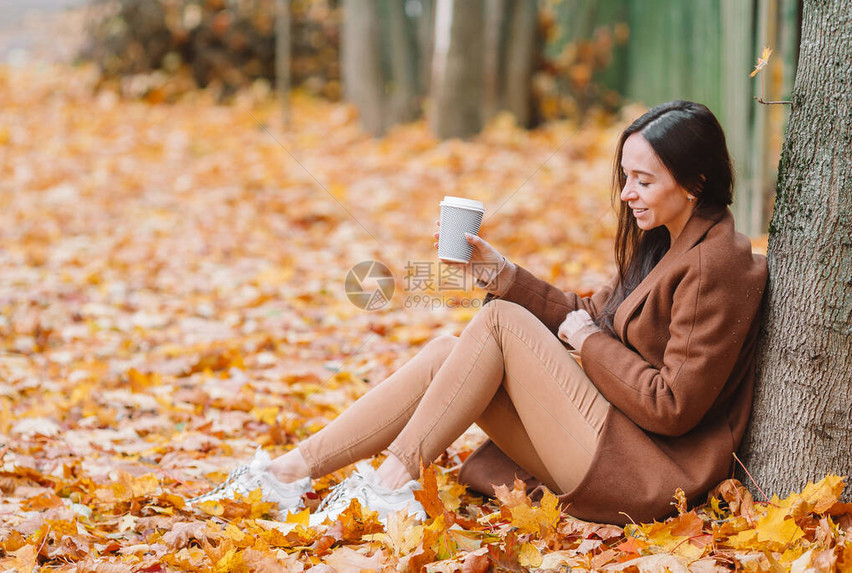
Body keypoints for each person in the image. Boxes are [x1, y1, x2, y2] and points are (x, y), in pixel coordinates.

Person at [187, 100, 768, 526]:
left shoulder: (717, 264)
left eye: (643, 180)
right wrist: (504, 277)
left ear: (694, 180)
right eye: (625, 179)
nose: (626, 195)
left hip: (647, 473)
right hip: (607, 438)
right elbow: (589, 314)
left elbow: (672, 406)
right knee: (449, 350)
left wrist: (587, 341)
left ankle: (392, 480)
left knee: (497, 324)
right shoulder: (665, 241)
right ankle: (289, 472)